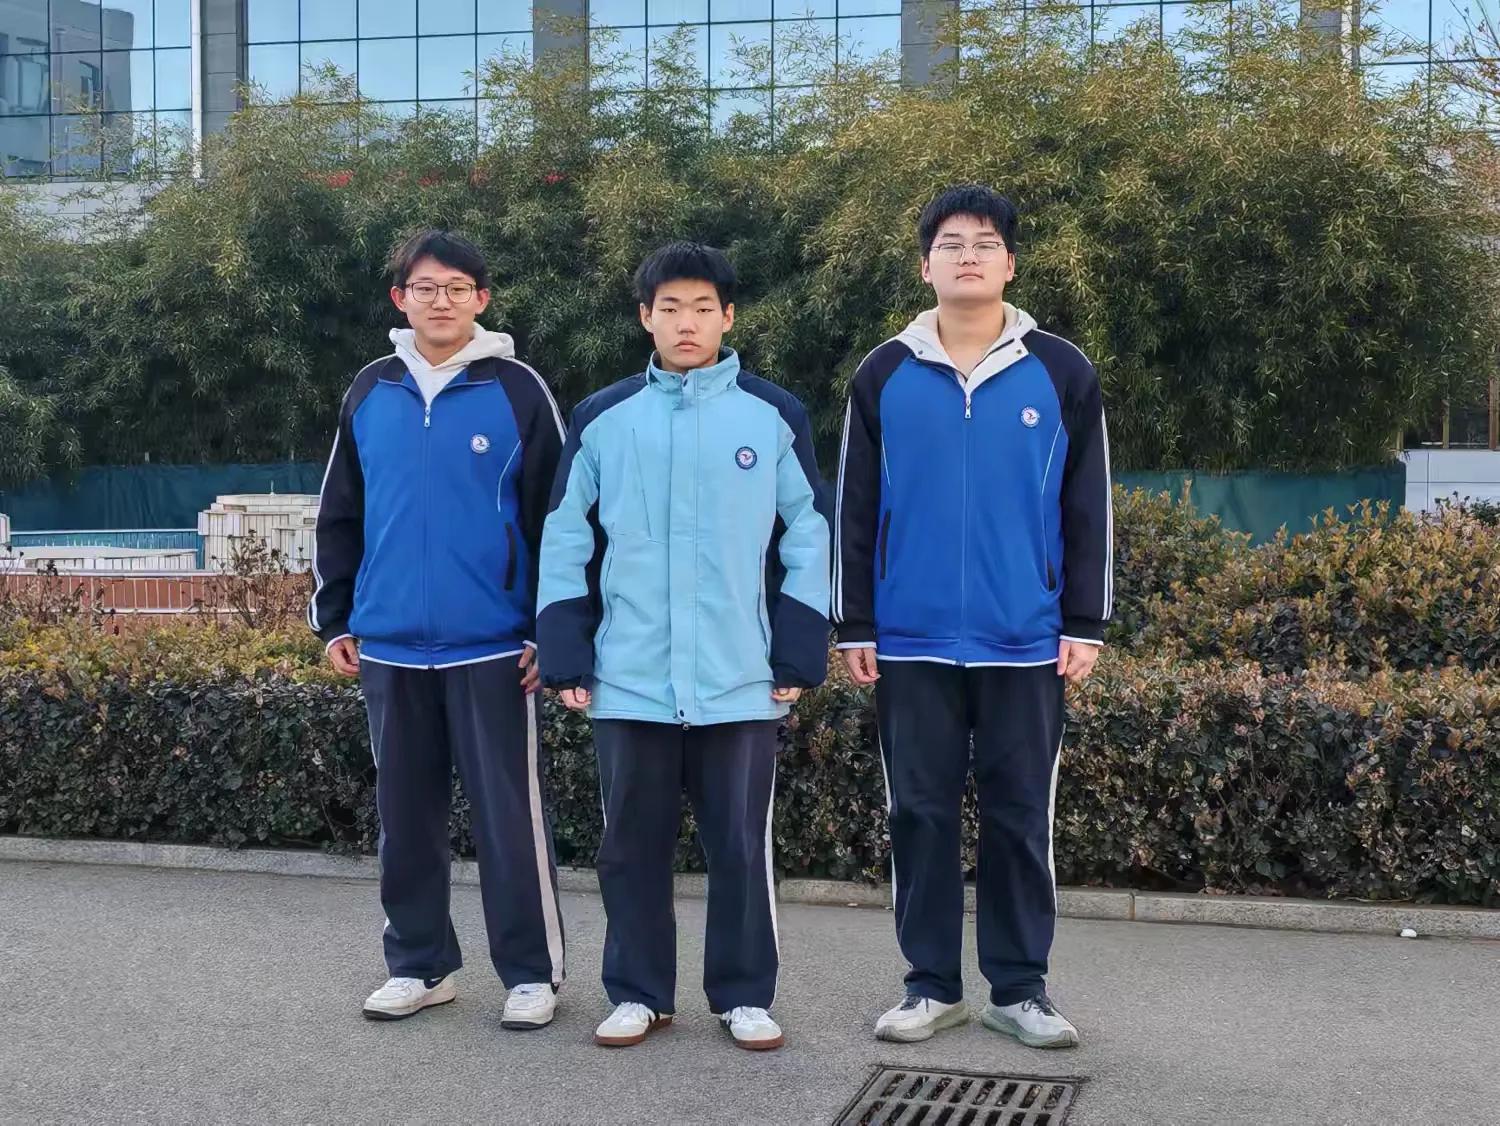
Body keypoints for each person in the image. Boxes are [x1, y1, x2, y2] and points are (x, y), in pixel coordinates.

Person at [834, 185, 1113, 1050]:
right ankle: (930, 986)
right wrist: (855, 623)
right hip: (910, 641)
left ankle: (1020, 990)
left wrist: (1085, 621)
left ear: (1010, 264)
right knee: (917, 814)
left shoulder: (1060, 370)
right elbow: (853, 507)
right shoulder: (883, 373)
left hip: (1025, 639)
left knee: (1020, 817)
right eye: (951, 243)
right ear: (926, 265)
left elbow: (1088, 505)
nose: (967, 255)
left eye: (985, 242)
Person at [537, 242, 830, 1052]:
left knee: (739, 847)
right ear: (646, 317)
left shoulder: (772, 415)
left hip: (741, 678)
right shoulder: (604, 417)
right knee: (630, 847)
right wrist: (566, 650)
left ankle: (743, 995)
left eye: (703, 308)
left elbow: (810, 533)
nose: (687, 322)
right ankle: (638, 993)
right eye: (670, 308)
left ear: (728, 317)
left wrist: (797, 650)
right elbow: (565, 537)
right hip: (630, 677)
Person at [307, 228, 567, 1029]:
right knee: (406, 822)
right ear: (402, 299)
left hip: (493, 646)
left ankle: (532, 975)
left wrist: (547, 631)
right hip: (388, 645)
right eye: (426, 287)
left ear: (481, 299)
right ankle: (418, 966)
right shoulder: (370, 390)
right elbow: (340, 512)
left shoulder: (518, 389)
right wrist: (335, 616)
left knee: (508, 819)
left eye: (457, 287)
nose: (442, 300)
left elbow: (556, 521)